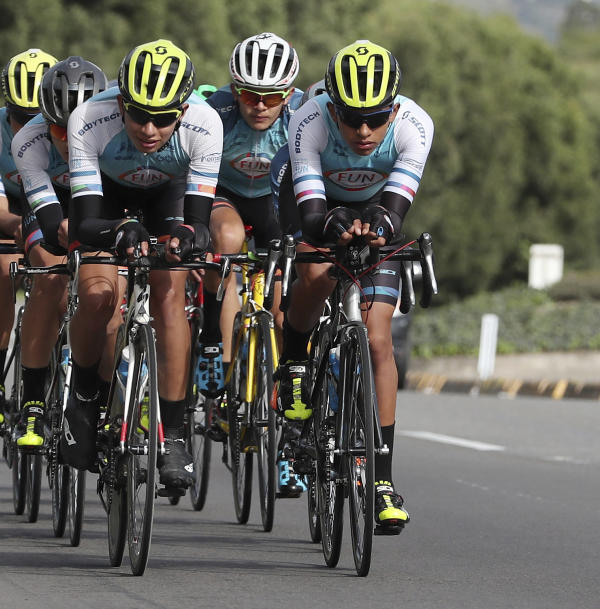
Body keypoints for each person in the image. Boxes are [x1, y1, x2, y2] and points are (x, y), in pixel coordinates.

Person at [283, 40, 434, 533]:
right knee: (314, 274)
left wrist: (377, 227)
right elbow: (310, 213)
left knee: (377, 338)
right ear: (332, 107)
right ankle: (297, 362)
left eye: (376, 118)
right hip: (319, 204)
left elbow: (396, 208)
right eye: (351, 119)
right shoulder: (308, 119)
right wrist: (333, 224)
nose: (364, 131)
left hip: (376, 211)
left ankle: (383, 480)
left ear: (394, 107)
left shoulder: (415, 125)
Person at [62, 39, 223, 490]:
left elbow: (199, 223)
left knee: (170, 294)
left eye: (164, 118)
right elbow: (84, 223)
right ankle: (85, 395)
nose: (149, 129)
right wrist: (117, 230)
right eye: (138, 115)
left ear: (184, 109)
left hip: (167, 196)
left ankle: (173, 433)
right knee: (97, 294)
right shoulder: (90, 118)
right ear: (120, 103)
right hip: (107, 202)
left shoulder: (206, 123)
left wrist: (189, 236)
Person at [200, 32, 305, 496]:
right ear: (234, 89)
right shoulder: (215, 112)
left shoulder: (303, 116)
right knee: (228, 242)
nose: (259, 106)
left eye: (271, 97)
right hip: (227, 201)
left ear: (289, 95)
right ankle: (217, 359)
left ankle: (288, 437)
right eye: (248, 94)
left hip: (276, 205)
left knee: (284, 310)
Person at [9, 56, 108, 449]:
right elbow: (53, 223)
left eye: (76, 129)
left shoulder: (114, 130)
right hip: (52, 205)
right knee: (51, 276)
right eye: (57, 128)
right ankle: (33, 401)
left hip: (101, 201)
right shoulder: (28, 141)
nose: (67, 139)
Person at [0, 49, 58, 433]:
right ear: (6, 108)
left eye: (39, 117)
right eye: (20, 117)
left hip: (56, 197)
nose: (28, 128)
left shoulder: (73, 124)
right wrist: (22, 228)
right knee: (6, 269)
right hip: (12, 205)